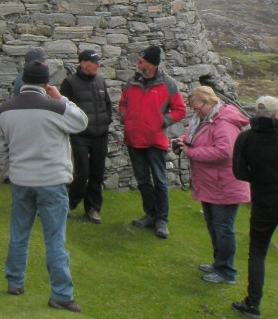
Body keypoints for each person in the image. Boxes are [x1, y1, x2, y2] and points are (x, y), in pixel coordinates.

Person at [0, 60, 89, 312]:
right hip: (52, 181)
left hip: (22, 180)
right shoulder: (56, 107)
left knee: (19, 233)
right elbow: (81, 122)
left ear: (23, 81)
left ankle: (15, 281)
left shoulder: (4, 110)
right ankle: (61, 294)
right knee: (55, 240)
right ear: (46, 83)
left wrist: (15, 164)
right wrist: (63, 98)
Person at [170, 86, 249, 285]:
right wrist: (180, 141)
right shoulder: (203, 119)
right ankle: (219, 264)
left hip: (224, 183)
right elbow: (192, 137)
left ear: (209, 101)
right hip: (210, 183)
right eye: (194, 109)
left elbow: (224, 152)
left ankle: (227, 272)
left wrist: (191, 152)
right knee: (214, 226)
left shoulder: (224, 122)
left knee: (223, 228)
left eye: (197, 108)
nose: (195, 112)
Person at [119, 45, 186, 239]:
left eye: (141, 61)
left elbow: (180, 110)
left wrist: (162, 121)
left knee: (160, 181)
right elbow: (123, 103)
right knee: (142, 180)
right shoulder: (131, 82)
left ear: (152, 64)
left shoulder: (168, 84)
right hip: (133, 139)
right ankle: (150, 214)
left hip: (155, 141)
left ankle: (161, 220)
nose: (137, 63)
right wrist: (126, 117)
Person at [230, 95, 278, 319]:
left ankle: (252, 305)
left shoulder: (246, 138)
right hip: (266, 199)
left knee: (258, 252)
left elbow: (239, 172)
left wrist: (257, 179)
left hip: (264, 201)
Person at [60, 49, 112, 224]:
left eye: (98, 62)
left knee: (97, 173)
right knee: (82, 173)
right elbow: (63, 108)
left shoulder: (100, 81)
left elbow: (107, 105)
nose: (97, 65)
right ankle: (70, 204)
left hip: (100, 135)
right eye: (94, 62)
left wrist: (106, 122)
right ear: (83, 63)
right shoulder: (69, 82)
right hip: (80, 135)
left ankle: (93, 208)